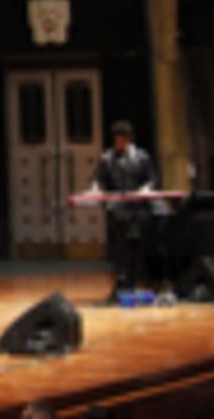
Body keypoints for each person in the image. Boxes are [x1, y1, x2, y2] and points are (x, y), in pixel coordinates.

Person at [89, 120, 157, 299]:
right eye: (116, 139)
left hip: (138, 208)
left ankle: (136, 282)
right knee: (120, 248)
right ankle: (120, 284)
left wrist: (146, 189)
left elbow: (151, 179)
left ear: (129, 139)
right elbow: (97, 178)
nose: (119, 143)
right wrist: (96, 188)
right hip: (118, 209)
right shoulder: (107, 158)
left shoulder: (142, 157)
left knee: (138, 247)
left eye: (122, 139)